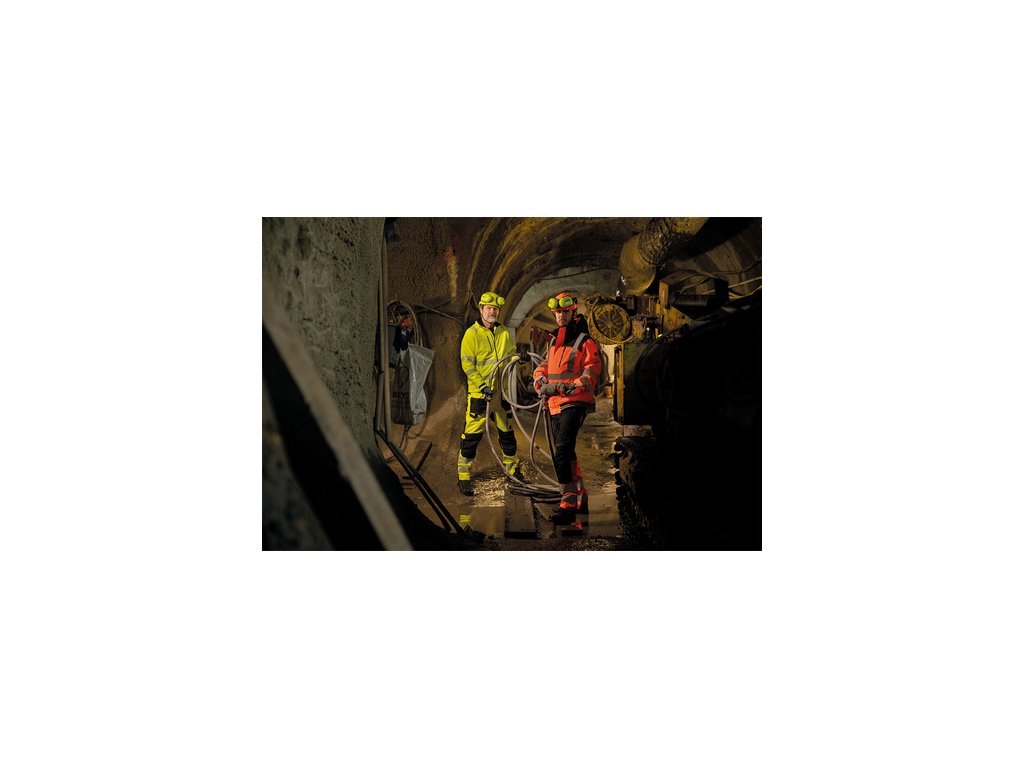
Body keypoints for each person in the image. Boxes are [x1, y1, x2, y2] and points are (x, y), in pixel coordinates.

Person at [533, 291, 603, 524]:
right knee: (567, 453)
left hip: (574, 402)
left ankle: (567, 503)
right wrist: (539, 377)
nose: (561, 316)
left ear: (573, 312)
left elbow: (591, 373)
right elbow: (547, 364)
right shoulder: (555, 340)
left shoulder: (585, 341)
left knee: (561, 452)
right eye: (557, 312)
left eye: (565, 312)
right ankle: (581, 495)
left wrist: (568, 387)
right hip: (554, 403)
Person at [457, 291, 524, 497]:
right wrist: (481, 386)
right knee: (471, 437)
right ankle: (463, 476)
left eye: (495, 309)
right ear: (481, 310)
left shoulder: (503, 332)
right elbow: (468, 365)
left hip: (500, 395)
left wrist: (519, 358)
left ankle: (512, 470)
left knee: (507, 435)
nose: (492, 311)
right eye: (489, 308)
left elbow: (509, 357)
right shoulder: (472, 334)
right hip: (480, 395)